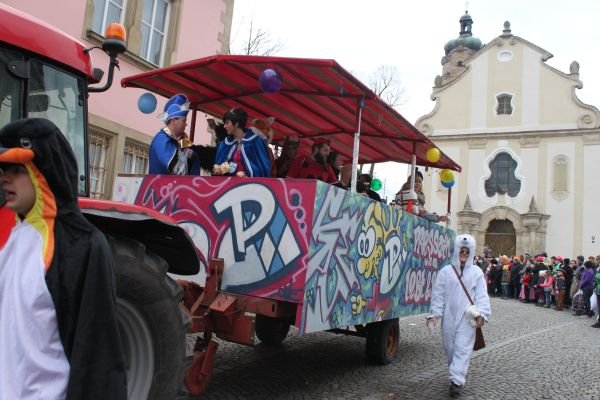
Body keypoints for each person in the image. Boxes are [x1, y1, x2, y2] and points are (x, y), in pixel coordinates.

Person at [0, 118, 127, 399]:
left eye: (16, 170)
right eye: (3, 169)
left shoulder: (82, 245)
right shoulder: (11, 235)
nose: (4, 178)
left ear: (43, 172)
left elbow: (98, 354)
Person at [426, 234, 491, 397]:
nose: (464, 253)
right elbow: (438, 295)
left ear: (471, 252)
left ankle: (457, 381)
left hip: (467, 317)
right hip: (449, 317)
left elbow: (482, 295)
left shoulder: (476, 273)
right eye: (461, 250)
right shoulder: (446, 272)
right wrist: (435, 314)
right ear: (456, 251)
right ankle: (455, 371)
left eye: (467, 251)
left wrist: (482, 314)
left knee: (462, 348)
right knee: (450, 348)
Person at [149, 93, 200, 175]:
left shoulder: (183, 141)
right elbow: (175, 169)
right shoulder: (160, 139)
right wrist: (187, 155)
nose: (186, 124)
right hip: (162, 183)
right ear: (174, 121)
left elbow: (196, 157)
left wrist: (192, 154)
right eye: (184, 121)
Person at [213, 107, 271, 177]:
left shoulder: (255, 142)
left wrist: (248, 175)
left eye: (227, 123)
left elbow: (263, 169)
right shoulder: (225, 144)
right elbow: (224, 166)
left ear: (236, 123)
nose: (224, 126)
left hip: (250, 183)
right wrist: (220, 170)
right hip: (229, 183)